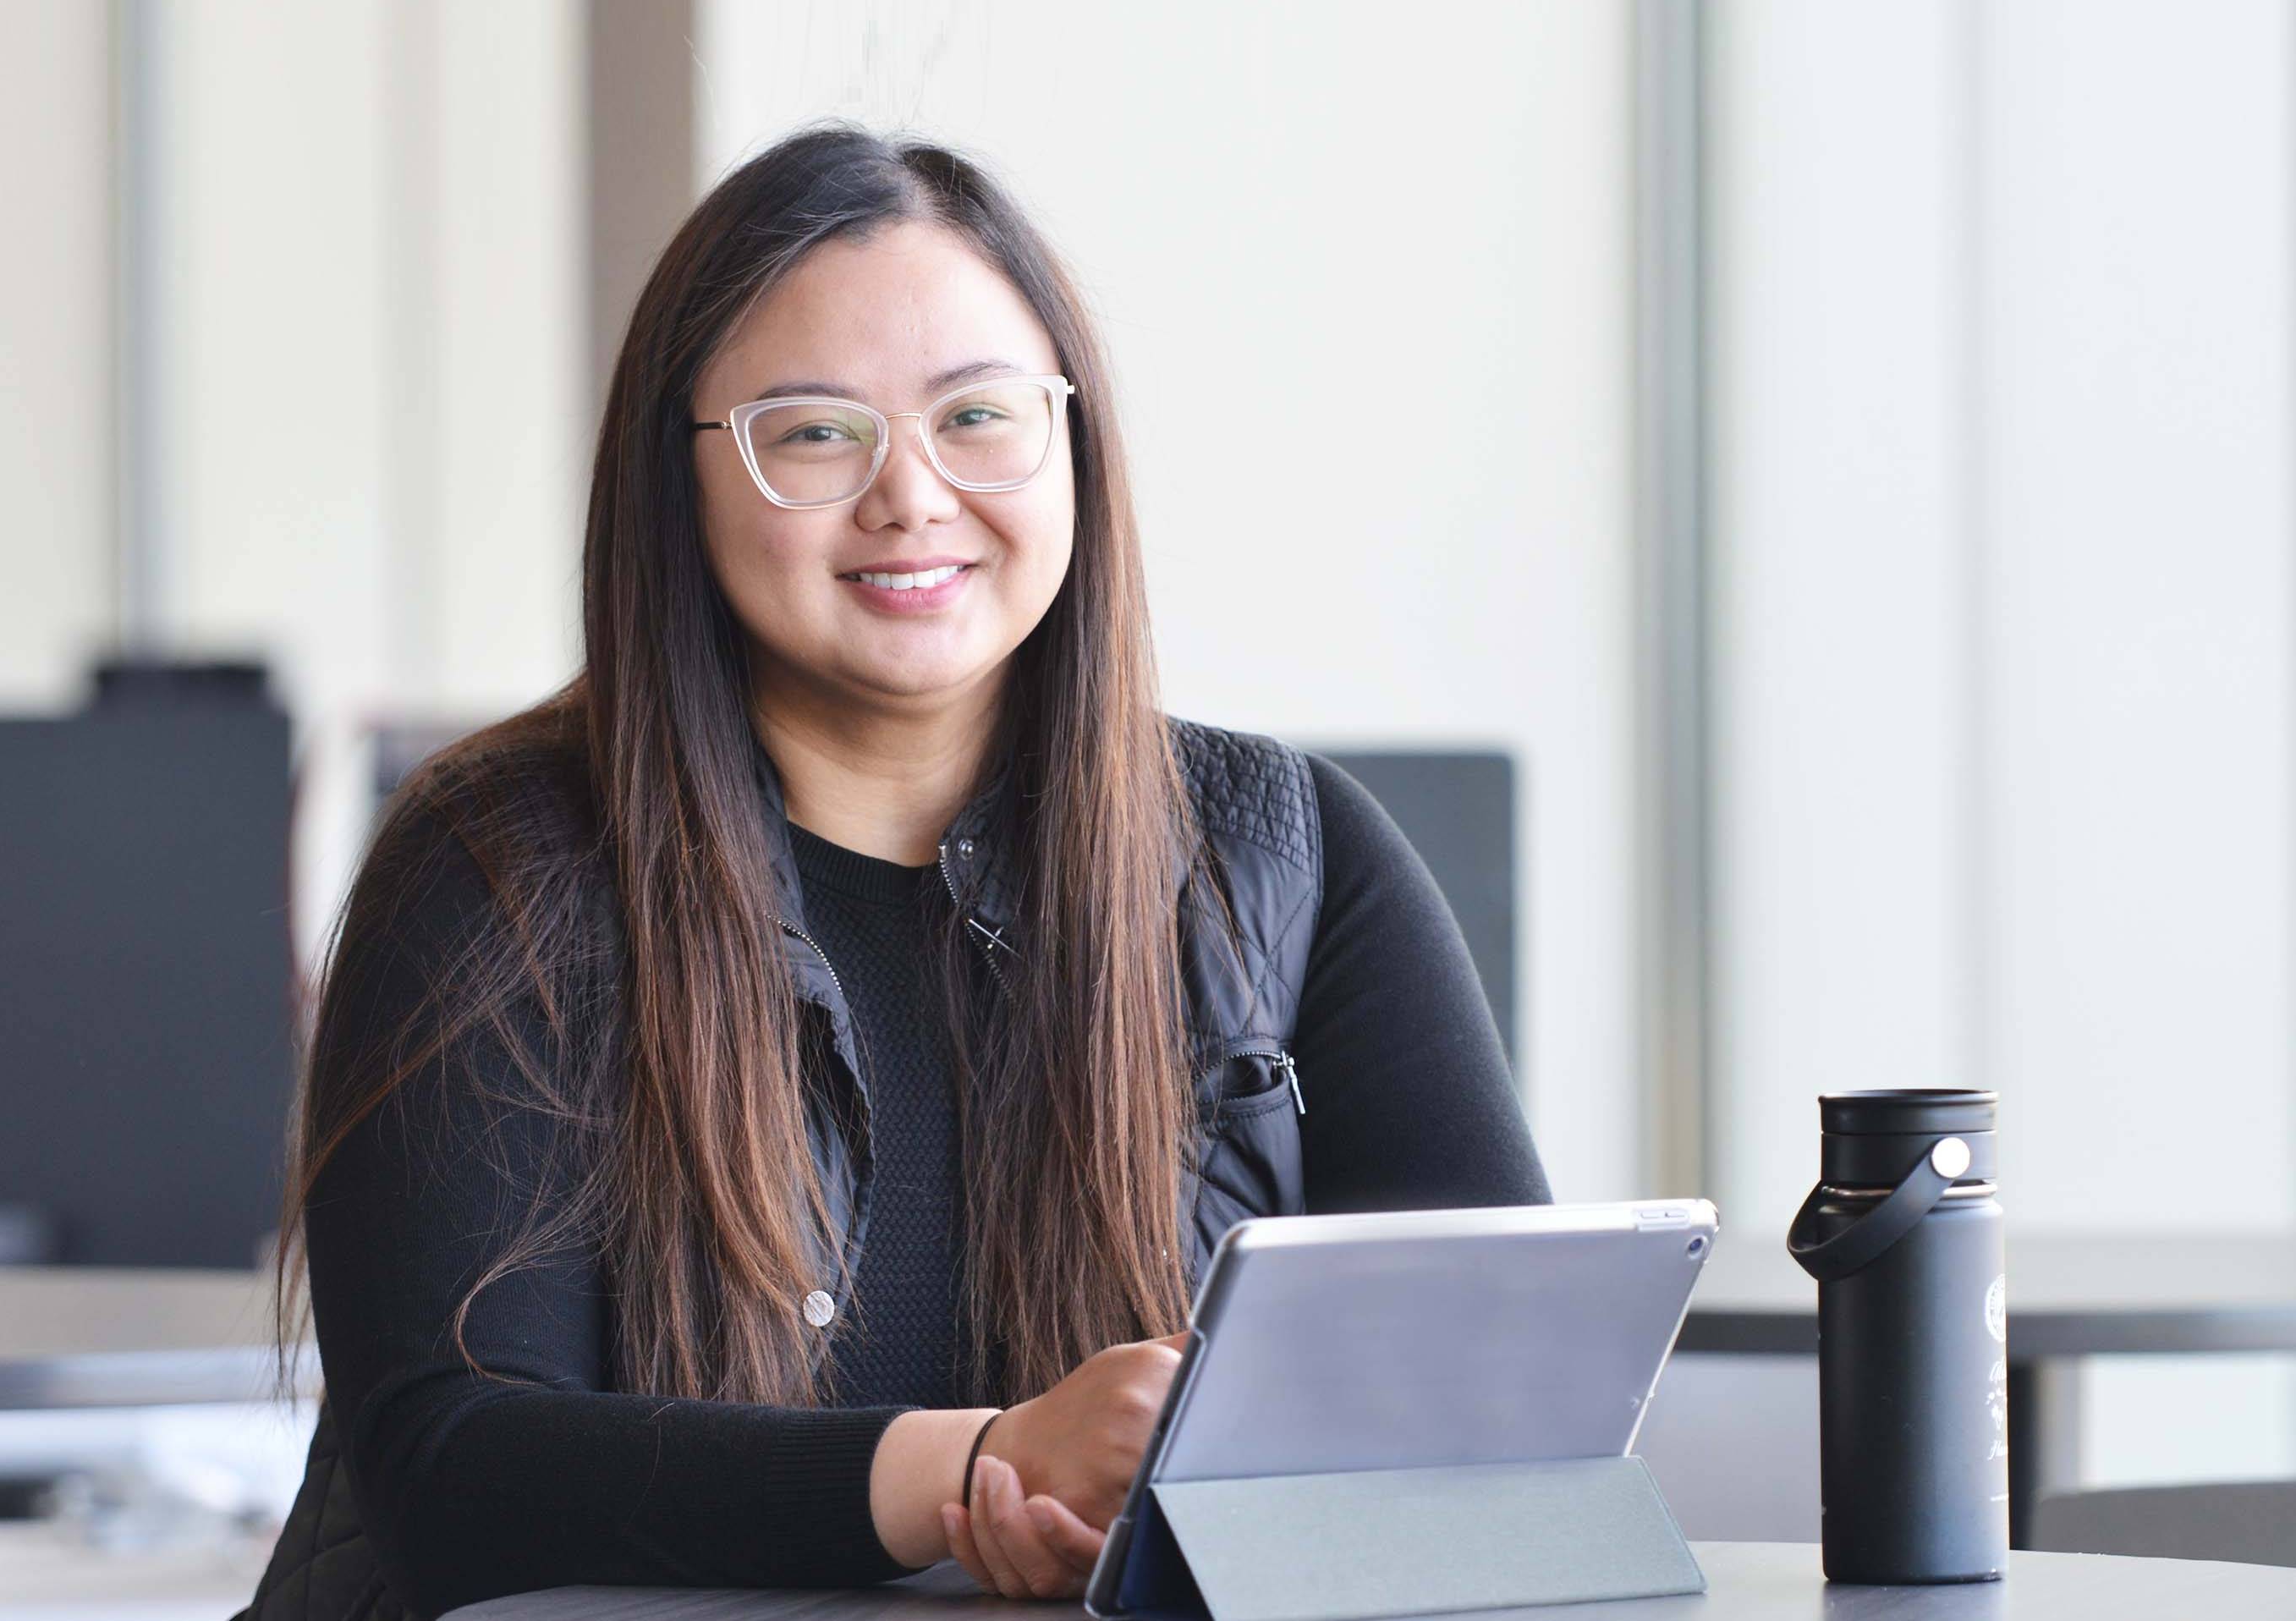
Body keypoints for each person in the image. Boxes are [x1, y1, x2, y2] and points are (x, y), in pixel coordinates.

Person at [237, 127, 1546, 1620]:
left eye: (978, 418)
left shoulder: (1281, 855)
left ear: (1072, 442)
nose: (912, 497)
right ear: (684, 483)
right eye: (812, 433)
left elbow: (1495, 1404)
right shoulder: (499, 868)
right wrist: (975, 1467)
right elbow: (455, 1468)